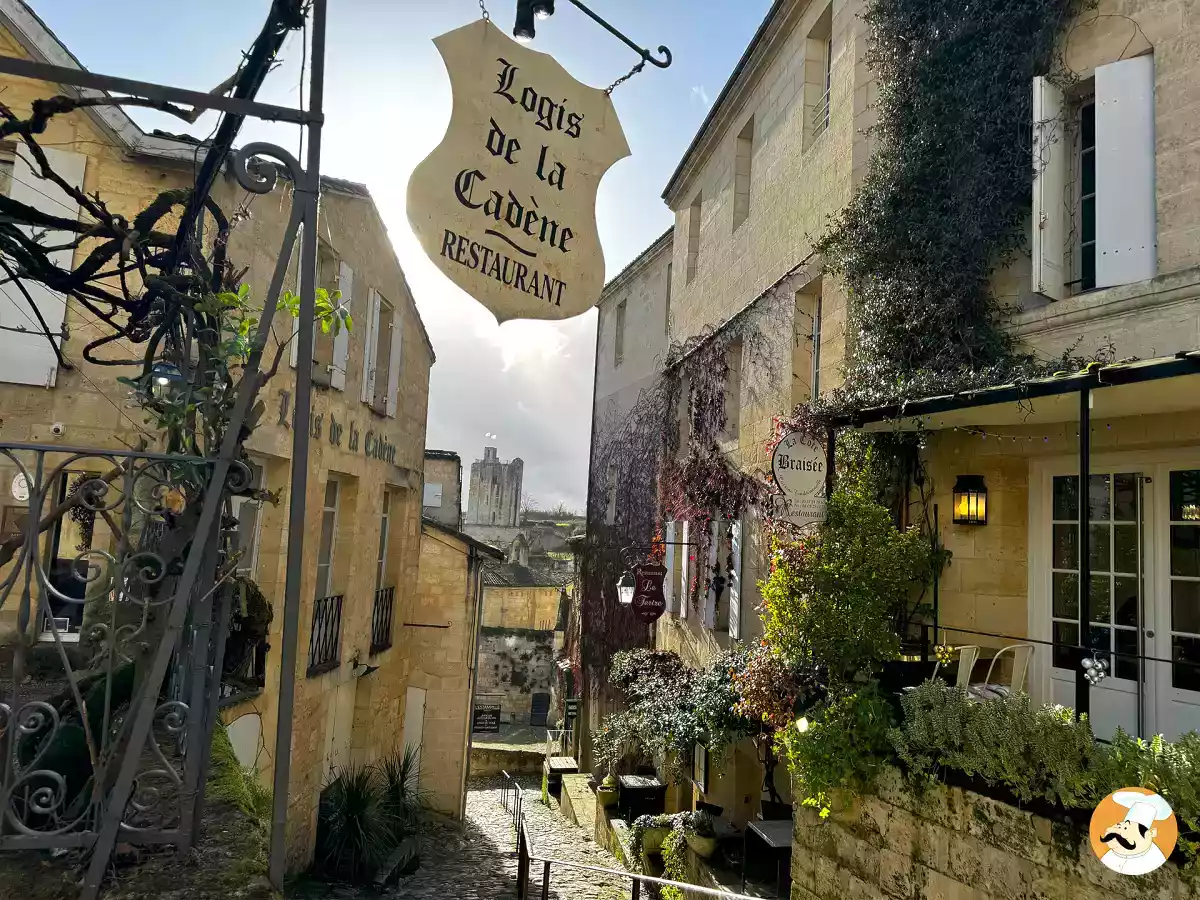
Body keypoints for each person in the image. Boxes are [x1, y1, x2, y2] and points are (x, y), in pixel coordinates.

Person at [1098, 791, 1173, 876]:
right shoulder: (1112, 854)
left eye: (1126, 828)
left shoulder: (1154, 859)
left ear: (1150, 834)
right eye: (1119, 826)